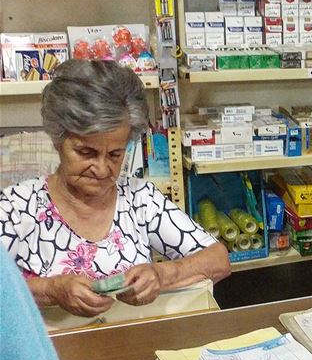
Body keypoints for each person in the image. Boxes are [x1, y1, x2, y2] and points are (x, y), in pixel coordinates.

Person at [0, 60, 230, 324]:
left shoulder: (140, 199)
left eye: (114, 154)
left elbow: (218, 259)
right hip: (51, 355)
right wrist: (51, 291)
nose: (101, 168)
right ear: (58, 139)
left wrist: (161, 274)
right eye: (86, 152)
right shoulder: (17, 207)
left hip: (130, 344)